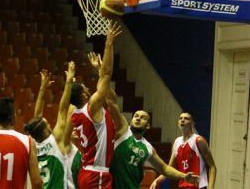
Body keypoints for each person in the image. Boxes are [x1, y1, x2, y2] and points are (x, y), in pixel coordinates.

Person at [87, 52, 199, 189]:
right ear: (131, 121)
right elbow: (111, 100)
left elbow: (164, 168)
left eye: (143, 117)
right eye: (136, 116)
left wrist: (184, 176)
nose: (138, 118)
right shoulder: (123, 130)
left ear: (148, 126)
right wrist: (101, 72)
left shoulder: (148, 148)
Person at [65, 21, 122, 189]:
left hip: (89, 172)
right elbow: (107, 74)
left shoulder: (75, 113)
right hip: (95, 174)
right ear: (83, 96)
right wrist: (109, 43)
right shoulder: (92, 107)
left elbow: (109, 95)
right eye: (85, 88)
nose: (88, 88)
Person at [24, 62, 81, 189]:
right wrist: (69, 82)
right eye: (47, 124)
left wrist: (43, 89)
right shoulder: (55, 141)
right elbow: (63, 109)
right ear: (44, 132)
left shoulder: (32, 144)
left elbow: (37, 115)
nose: (50, 124)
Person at [151, 111, 216, 189]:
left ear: (192, 124)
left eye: (186, 118)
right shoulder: (177, 142)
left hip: (198, 186)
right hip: (183, 186)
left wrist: (211, 186)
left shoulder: (198, 140)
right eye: (180, 118)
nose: (182, 120)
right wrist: (157, 180)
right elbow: (169, 169)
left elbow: (212, 166)